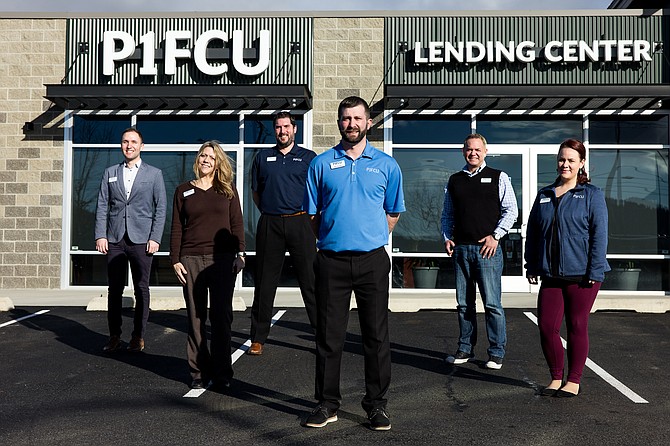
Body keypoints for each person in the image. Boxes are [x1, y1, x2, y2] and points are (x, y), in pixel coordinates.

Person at [302, 96, 405, 431]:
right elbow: (313, 214)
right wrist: (335, 237)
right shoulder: (320, 164)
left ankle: (376, 406)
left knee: (376, 336)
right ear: (338, 122)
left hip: (372, 261)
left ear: (368, 123)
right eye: (346, 119)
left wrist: (368, 237)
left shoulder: (387, 165)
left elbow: (393, 213)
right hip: (331, 260)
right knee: (329, 337)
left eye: (357, 118)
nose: (351, 124)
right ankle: (327, 404)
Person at [525, 138, 609, 398]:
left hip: (582, 274)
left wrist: (594, 272)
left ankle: (573, 380)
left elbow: (599, 235)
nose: (565, 164)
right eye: (562, 159)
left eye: (572, 160)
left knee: (576, 325)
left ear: (581, 163)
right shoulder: (545, 194)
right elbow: (534, 233)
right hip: (550, 273)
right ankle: (555, 376)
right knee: (546, 326)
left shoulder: (591, 194)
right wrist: (531, 263)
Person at [170, 141, 246, 390]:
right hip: (191, 260)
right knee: (195, 317)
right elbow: (177, 227)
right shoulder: (183, 191)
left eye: (211, 157)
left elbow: (237, 224)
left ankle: (223, 372)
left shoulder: (227, 190)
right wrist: (175, 259)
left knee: (221, 317)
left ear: (218, 163)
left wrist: (241, 254)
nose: (205, 160)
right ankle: (198, 373)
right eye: (202, 156)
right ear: (197, 160)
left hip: (222, 260)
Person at [441, 133, 518, 370]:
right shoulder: (454, 180)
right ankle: (465, 348)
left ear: (485, 152)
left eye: (477, 149)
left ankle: (496, 353)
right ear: (463, 151)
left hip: (488, 251)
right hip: (462, 249)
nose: (472, 153)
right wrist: (447, 237)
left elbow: (511, 210)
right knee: (464, 304)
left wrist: (496, 236)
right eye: (468, 149)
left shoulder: (498, 177)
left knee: (492, 304)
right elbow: (447, 214)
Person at [247, 111, 317, 356]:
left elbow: (317, 193)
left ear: (294, 129)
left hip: (301, 223)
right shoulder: (262, 157)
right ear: (274, 130)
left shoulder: (309, 158)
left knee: (311, 282)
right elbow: (256, 193)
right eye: (278, 127)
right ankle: (258, 338)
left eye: (286, 126)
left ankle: (322, 337)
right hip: (270, 224)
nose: (282, 131)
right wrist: (271, 211)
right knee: (265, 284)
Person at [95, 127, 167, 353]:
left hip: (141, 240)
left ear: (141, 146)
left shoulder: (154, 174)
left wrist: (155, 237)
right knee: (114, 290)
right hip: (115, 239)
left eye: (133, 142)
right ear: (121, 145)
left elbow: (161, 208)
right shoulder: (110, 172)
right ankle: (114, 335)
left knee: (141, 288)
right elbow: (102, 206)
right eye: (125, 142)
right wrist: (100, 234)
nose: (129, 145)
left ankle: (138, 336)